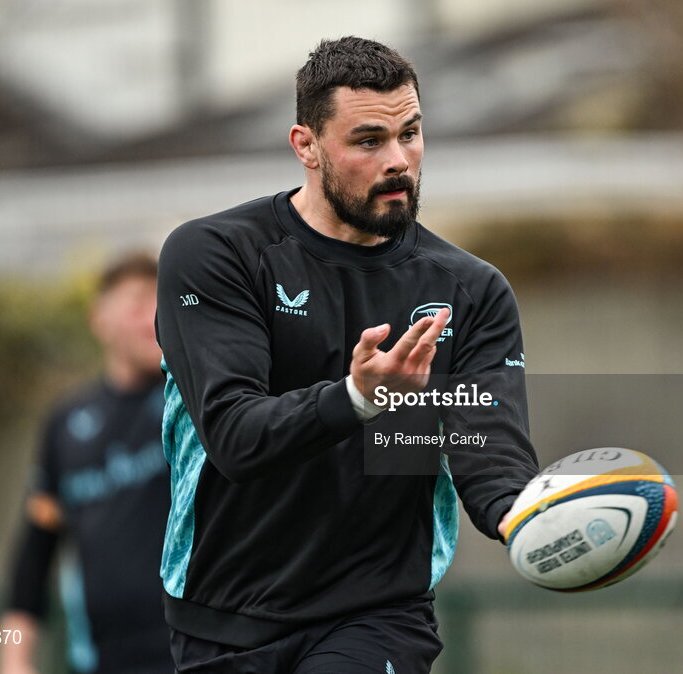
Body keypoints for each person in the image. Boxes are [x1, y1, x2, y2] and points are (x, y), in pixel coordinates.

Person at [157, 36, 539, 673]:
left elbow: (491, 454)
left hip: (378, 612)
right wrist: (358, 398)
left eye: (411, 133)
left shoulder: (470, 291)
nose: (400, 160)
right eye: (369, 141)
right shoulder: (214, 257)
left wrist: (536, 519)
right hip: (222, 612)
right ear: (306, 145)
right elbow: (235, 435)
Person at [0, 252, 173, 674]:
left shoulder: (190, 401)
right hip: (101, 657)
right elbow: (38, 546)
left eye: (160, 302)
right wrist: (14, 658)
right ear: (100, 319)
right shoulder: (66, 424)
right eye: (135, 304)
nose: (151, 317)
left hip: (192, 651)